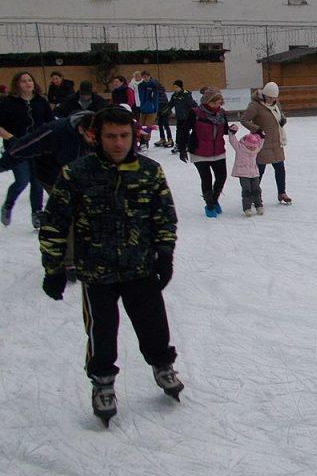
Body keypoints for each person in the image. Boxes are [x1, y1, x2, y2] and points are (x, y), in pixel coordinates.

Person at [38, 105, 183, 426]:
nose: (118, 143)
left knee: (154, 323)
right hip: (96, 272)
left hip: (141, 267)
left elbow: (164, 216)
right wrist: (54, 269)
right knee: (101, 332)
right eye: (110, 136)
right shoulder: (76, 174)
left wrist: (165, 253)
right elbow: (55, 224)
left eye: (124, 136)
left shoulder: (149, 171)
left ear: (133, 136)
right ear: (96, 137)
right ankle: (103, 382)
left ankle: (162, 365)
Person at [1, 110, 97, 282]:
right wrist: (8, 158)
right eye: (91, 135)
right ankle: (68, 261)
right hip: (53, 176)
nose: (94, 139)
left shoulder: (103, 131)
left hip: (82, 176)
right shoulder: (56, 131)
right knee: (70, 213)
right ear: (81, 129)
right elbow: (24, 146)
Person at [0, 71, 53, 228]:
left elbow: (50, 123)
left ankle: (37, 213)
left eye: (30, 80)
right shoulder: (8, 103)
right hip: (17, 147)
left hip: (38, 147)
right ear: (17, 84)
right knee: (22, 179)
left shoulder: (41, 102)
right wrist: (11, 138)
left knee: (37, 181)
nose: (28, 83)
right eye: (24, 81)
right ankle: (8, 206)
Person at [177, 87, 233, 218]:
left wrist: (231, 130)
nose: (217, 106)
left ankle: (214, 200)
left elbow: (225, 130)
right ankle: (210, 205)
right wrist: (182, 148)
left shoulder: (222, 113)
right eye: (214, 103)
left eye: (219, 103)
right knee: (206, 178)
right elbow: (184, 130)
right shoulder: (196, 112)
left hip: (218, 150)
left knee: (221, 177)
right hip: (199, 151)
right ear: (207, 101)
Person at [240, 82, 291, 205]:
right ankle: (255, 194)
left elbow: (278, 114)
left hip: (276, 141)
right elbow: (244, 120)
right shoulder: (255, 105)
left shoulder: (275, 102)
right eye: (270, 97)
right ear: (264, 95)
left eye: (274, 97)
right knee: (259, 170)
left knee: (280, 168)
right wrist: (257, 129)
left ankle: (282, 192)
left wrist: (282, 119)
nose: (272, 99)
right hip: (262, 142)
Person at [229, 130, 265, 217]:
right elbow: (232, 140)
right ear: (246, 144)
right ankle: (247, 208)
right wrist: (231, 132)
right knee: (247, 190)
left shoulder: (256, 149)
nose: (252, 149)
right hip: (243, 174)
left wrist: (262, 136)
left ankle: (259, 206)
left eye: (254, 147)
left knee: (257, 189)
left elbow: (260, 143)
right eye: (250, 147)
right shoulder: (240, 147)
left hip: (254, 173)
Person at [167, 80, 194, 154]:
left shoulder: (186, 94)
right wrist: (164, 111)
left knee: (185, 131)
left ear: (180, 87)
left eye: (177, 87)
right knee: (178, 131)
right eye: (174, 87)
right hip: (179, 117)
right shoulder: (174, 95)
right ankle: (178, 144)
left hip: (186, 117)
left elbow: (192, 104)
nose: (175, 89)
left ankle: (187, 145)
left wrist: (196, 112)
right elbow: (170, 104)